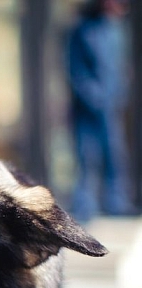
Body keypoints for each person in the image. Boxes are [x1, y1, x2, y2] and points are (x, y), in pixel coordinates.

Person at [67, 0, 136, 223]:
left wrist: (119, 94)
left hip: (111, 105)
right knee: (87, 156)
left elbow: (120, 66)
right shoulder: (82, 30)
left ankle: (117, 202)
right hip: (88, 109)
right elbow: (76, 70)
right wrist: (93, 96)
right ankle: (84, 206)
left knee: (115, 154)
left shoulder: (116, 29)